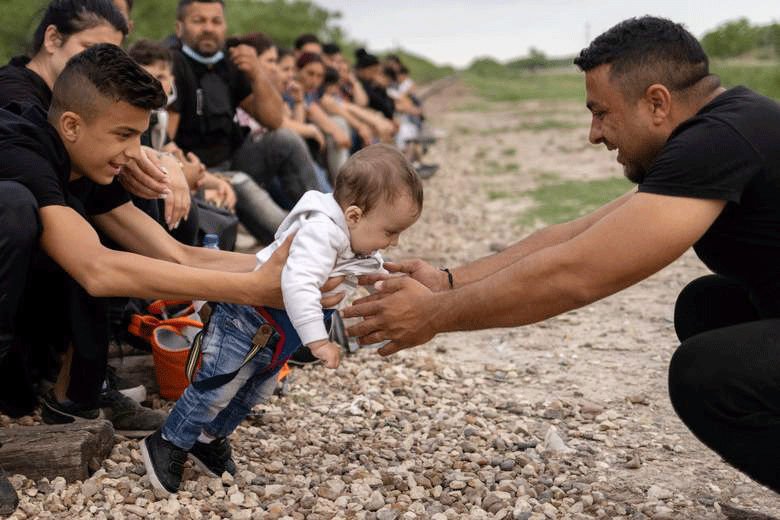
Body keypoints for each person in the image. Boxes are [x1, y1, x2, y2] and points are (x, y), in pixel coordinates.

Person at [344, 16, 780, 495]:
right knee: (708, 307)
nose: (594, 134)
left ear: (657, 102)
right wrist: (448, 282)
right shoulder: (725, 127)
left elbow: (577, 274)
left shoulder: (719, 140)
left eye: (601, 112)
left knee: (708, 374)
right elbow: (574, 236)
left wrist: (433, 316)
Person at [0, 44, 346, 435]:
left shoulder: (82, 158)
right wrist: (252, 289)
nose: (135, 153)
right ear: (71, 125)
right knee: (15, 208)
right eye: (124, 135)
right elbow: (96, 270)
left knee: (106, 233)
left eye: (140, 136)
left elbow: (177, 255)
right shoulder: (20, 149)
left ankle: (75, 398)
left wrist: (295, 268)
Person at [141, 144, 423, 494]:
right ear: (353, 216)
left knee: (253, 393)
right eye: (390, 232)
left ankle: (206, 438)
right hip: (247, 322)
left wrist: (394, 289)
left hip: (277, 335)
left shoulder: (358, 239)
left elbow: (370, 272)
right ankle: (169, 440)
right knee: (217, 386)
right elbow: (298, 282)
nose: (394, 242)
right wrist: (318, 340)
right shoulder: (321, 233)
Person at [168, 0, 322, 211]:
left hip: (235, 159)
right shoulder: (172, 64)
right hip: (196, 171)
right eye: (198, 21)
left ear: (224, 27)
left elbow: (274, 121)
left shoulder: (230, 62)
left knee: (286, 140)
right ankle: (298, 234)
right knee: (250, 194)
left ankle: (320, 215)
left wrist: (256, 71)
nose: (208, 28)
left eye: (216, 21)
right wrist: (204, 178)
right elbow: (165, 145)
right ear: (179, 27)